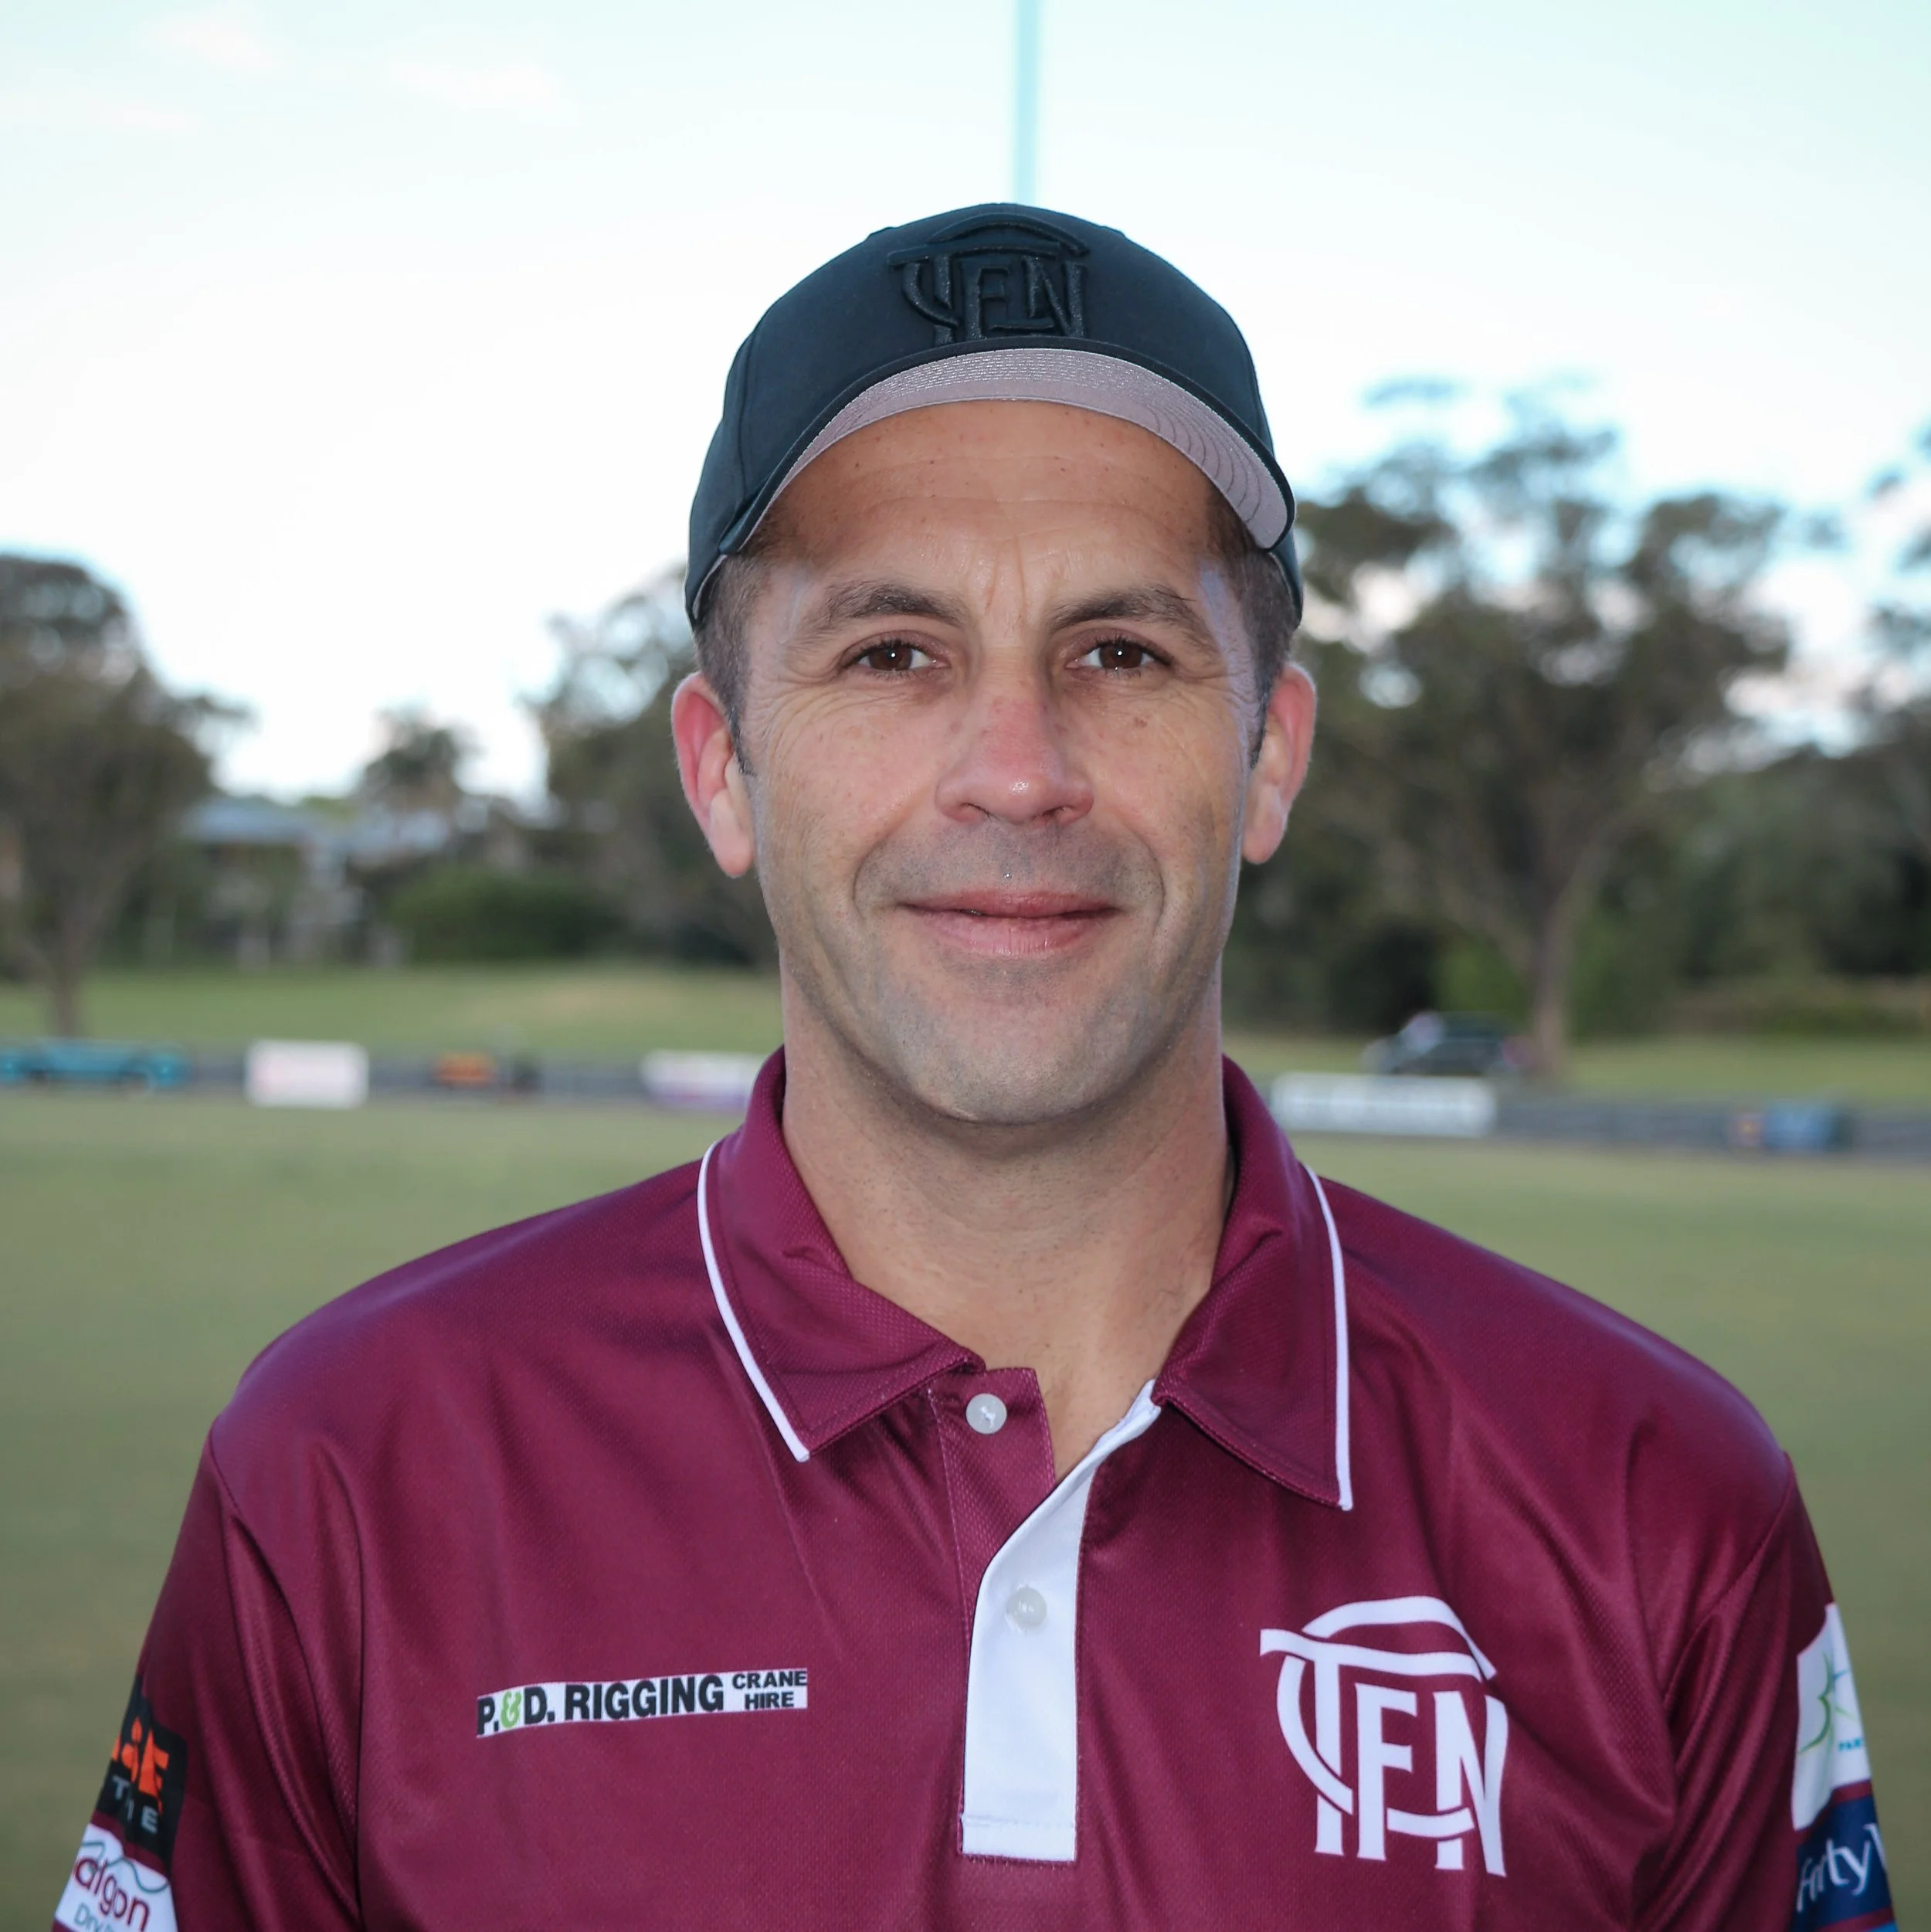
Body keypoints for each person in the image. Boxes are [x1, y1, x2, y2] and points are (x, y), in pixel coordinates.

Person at [56, 205, 1889, 1932]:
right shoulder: (351, 1470)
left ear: (1266, 757)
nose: (1014, 769)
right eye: (890, 651)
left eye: (1117, 647)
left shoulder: (1655, 1499)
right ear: (719, 767)